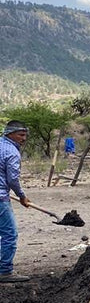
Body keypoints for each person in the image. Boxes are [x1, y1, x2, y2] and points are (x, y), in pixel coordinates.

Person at [0, 121, 31, 283]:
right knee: (9, 234)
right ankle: (5, 271)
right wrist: (21, 196)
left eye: (25, 135)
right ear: (9, 133)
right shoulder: (11, 152)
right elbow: (13, 179)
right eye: (21, 135)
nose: (24, 138)